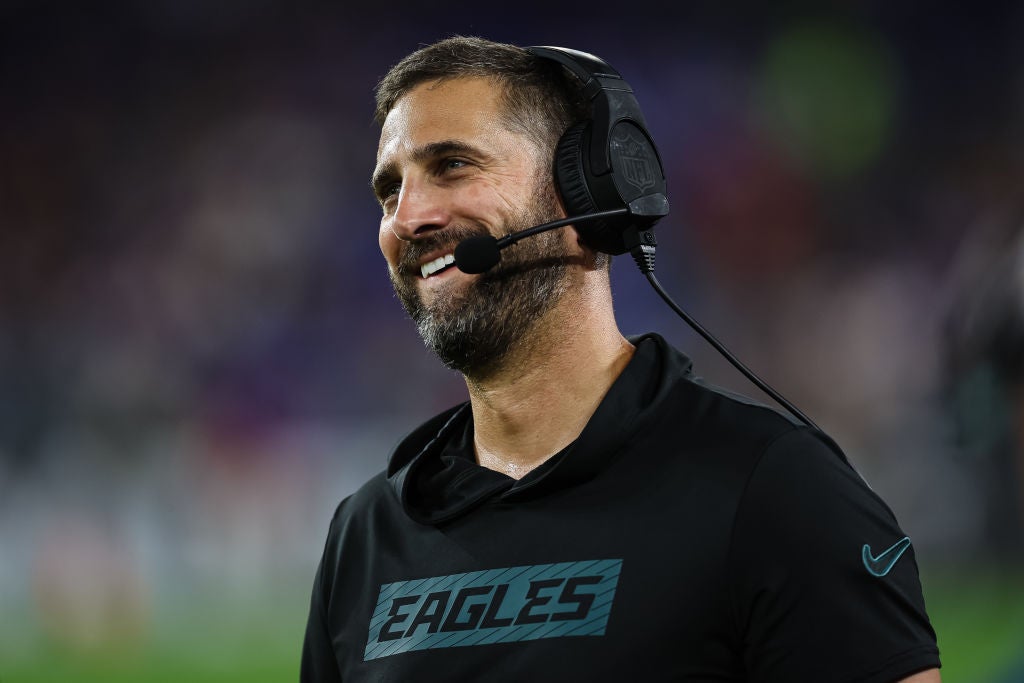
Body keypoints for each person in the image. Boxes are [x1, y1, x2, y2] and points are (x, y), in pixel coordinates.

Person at [301, 36, 941, 682]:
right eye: (389, 191)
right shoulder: (366, 534)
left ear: (585, 193)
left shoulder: (773, 489)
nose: (407, 217)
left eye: (453, 166)